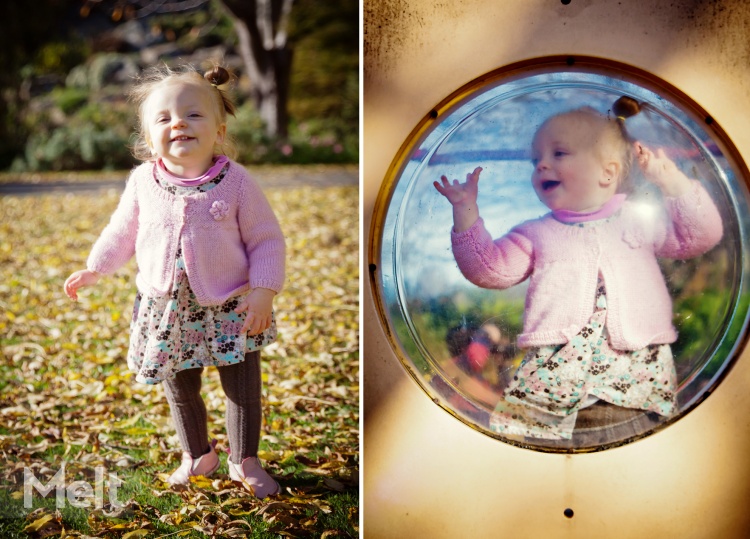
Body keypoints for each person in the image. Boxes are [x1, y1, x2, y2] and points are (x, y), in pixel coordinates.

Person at [433, 99, 723, 441]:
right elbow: (489, 270)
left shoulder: (639, 220)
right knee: (542, 459)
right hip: (554, 387)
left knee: (629, 454)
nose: (541, 165)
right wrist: (466, 214)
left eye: (559, 154)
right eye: (535, 159)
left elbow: (699, 236)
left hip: (633, 381)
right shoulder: (536, 233)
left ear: (608, 172)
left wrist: (674, 183)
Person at [63, 64, 285, 495]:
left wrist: (264, 290)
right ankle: (197, 453)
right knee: (179, 385)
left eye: (192, 115)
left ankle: (244, 460)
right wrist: (96, 266)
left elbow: (267, 240)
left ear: (219, 131)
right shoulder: (143, 182)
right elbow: (121, 230)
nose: (178, 122)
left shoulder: (236, 183)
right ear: (149, 139)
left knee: (241, 387)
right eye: (164, 118)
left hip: (230, 305)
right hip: (166, 308)